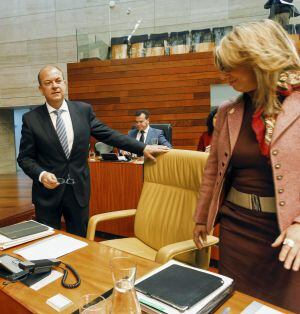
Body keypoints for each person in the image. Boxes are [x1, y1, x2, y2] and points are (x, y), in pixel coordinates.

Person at [193, 20, 300, 312]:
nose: (224, 75)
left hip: (285, 236)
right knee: (235, 304)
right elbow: (213, 170)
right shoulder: (229, 111)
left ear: (259, 60)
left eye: (231, 67)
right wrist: (202, 217)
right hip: (237, 229)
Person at [17, 65, 169, 237]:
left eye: (58, 81)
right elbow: (25, 158)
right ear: (40, 89)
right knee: (45, 242)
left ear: (65, 83)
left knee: (80, 241)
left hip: (78, 192)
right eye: (48, 83)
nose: (55, 86)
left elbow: (108, 134)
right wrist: (42, 174)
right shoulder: (31, 119)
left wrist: (142, 147)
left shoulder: (83, 110)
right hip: (47, 193)